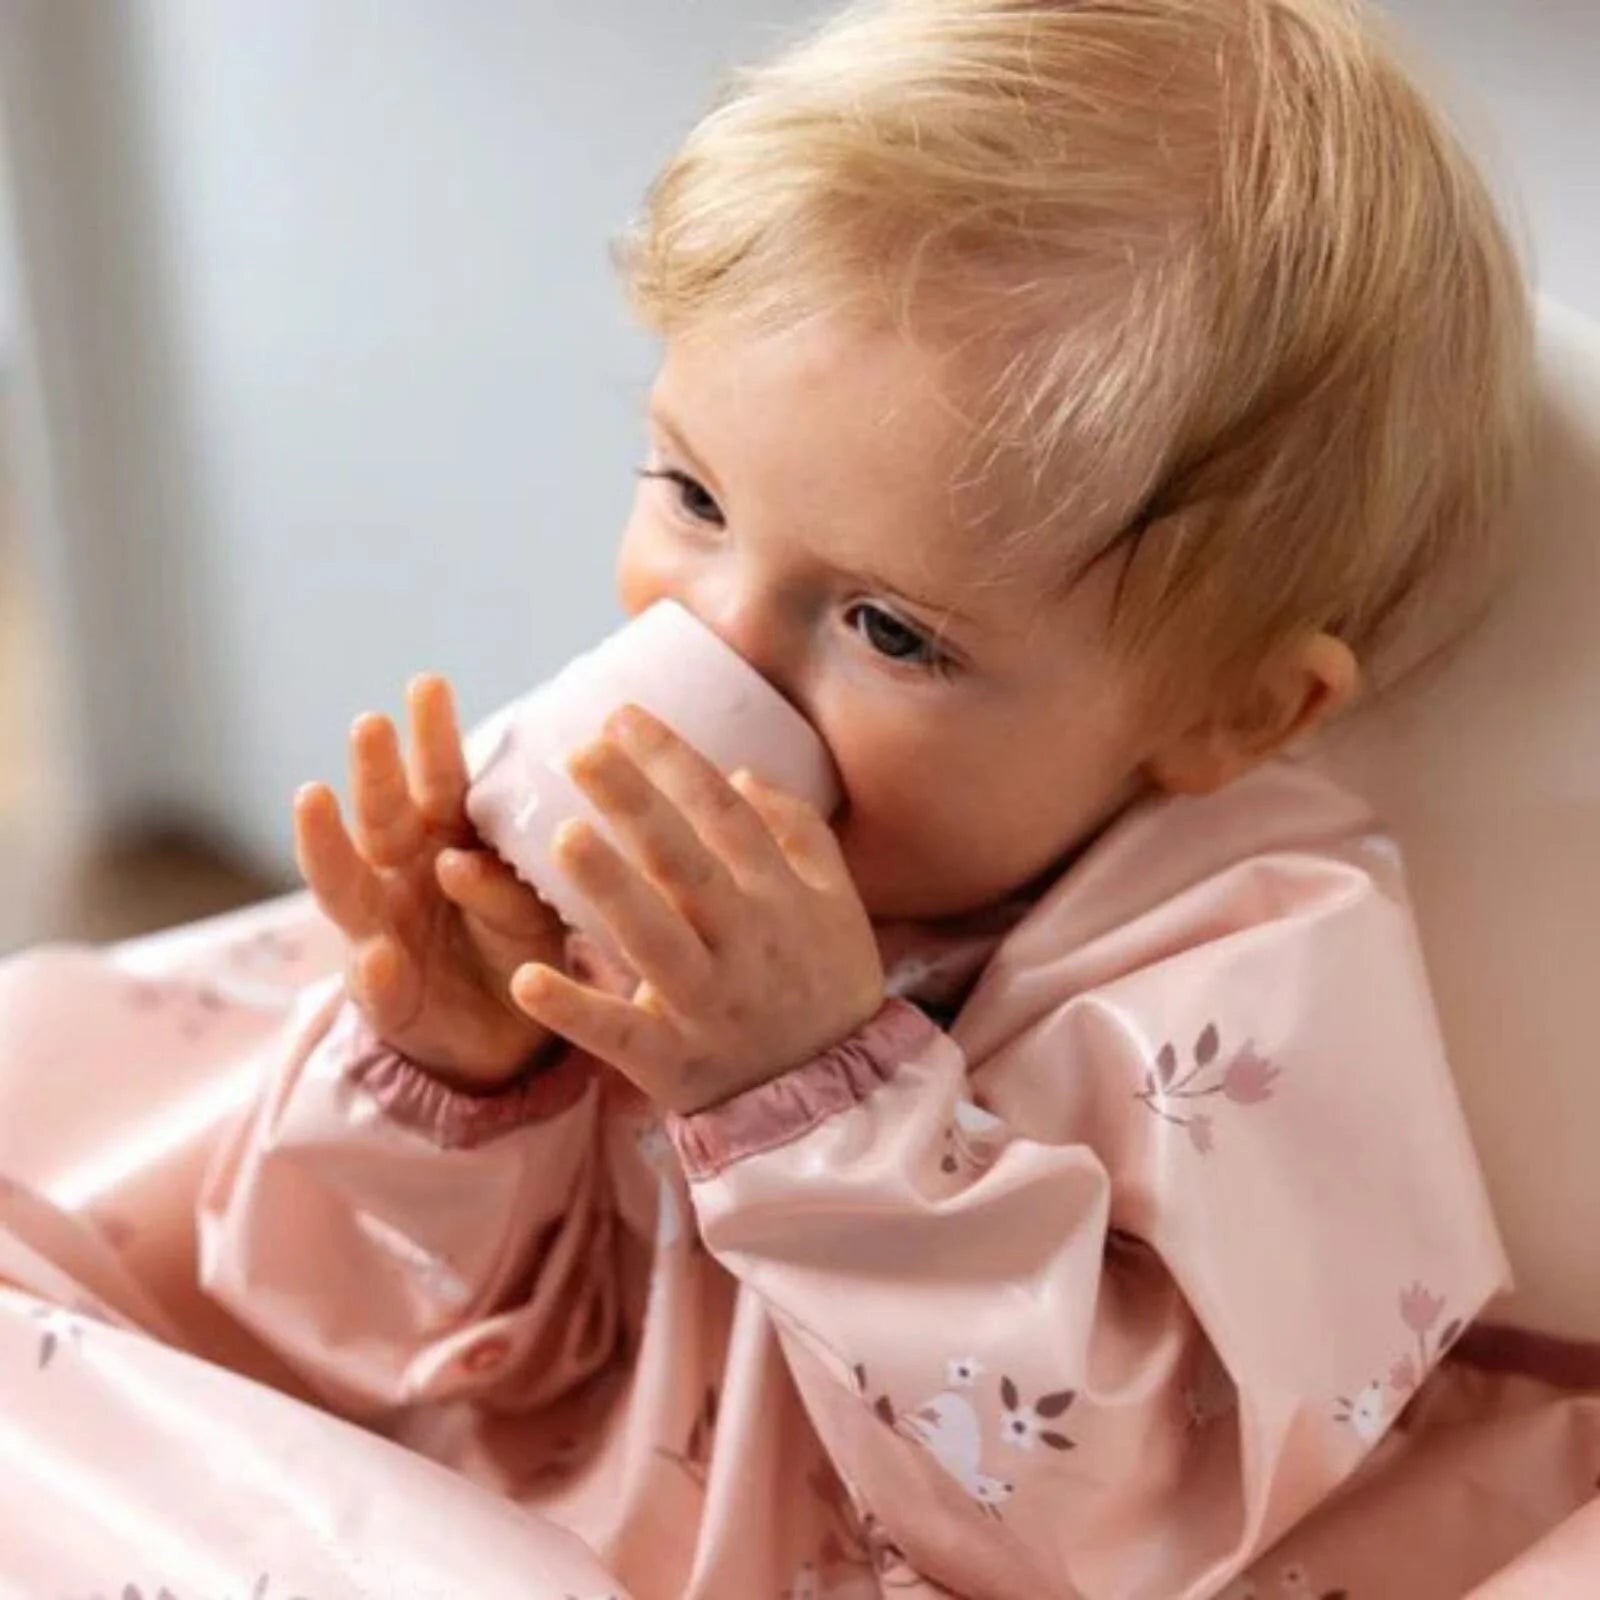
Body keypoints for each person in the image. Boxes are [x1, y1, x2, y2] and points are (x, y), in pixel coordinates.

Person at [3, 2, 1595, 1596]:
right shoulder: (626, 839)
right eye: (693, 496)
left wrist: (821, 1108)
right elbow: (359, 1340)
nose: (712, 653)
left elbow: (1116, 1529)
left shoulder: (1244, 964)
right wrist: (453, 1071)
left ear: (1230, 709)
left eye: (892, 631)